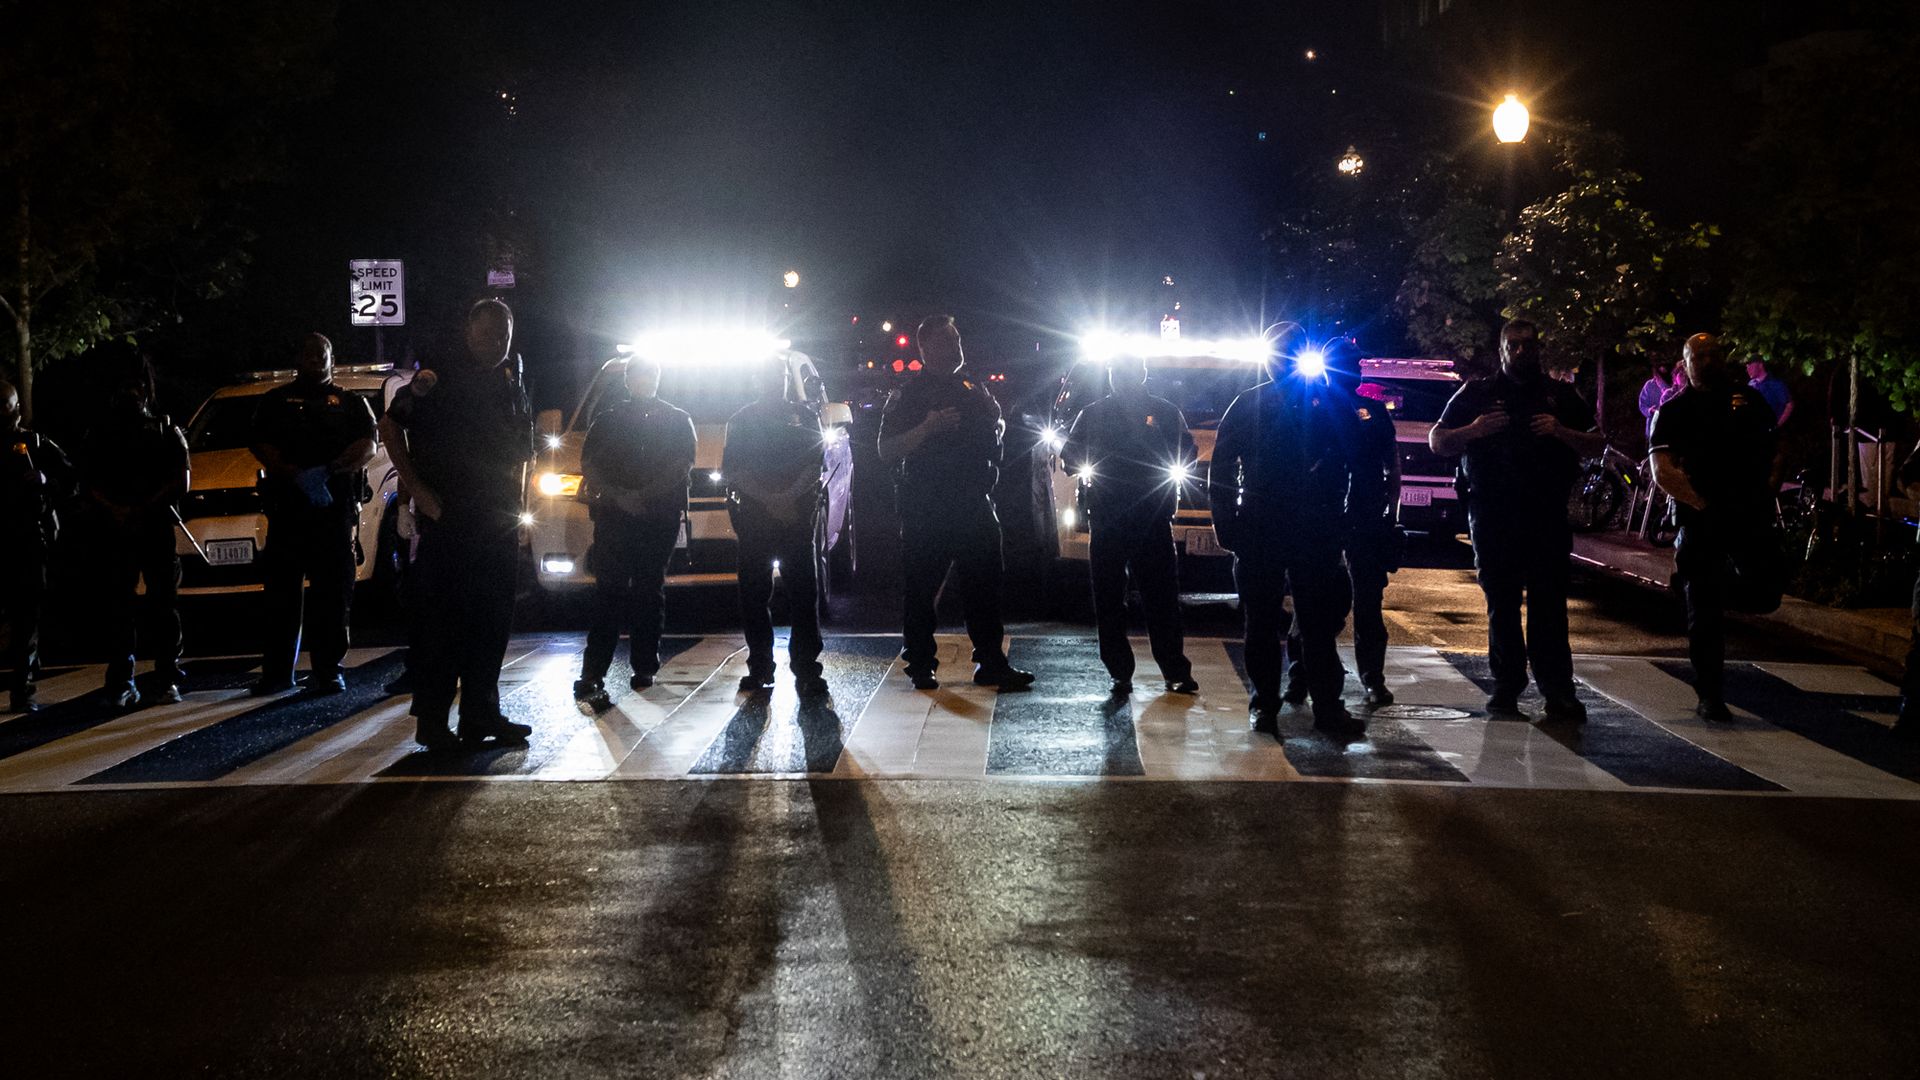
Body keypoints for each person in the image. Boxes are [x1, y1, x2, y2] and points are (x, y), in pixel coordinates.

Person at [1430, 319, 1604, 721]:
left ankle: (1558, 690)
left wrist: (1560, 430)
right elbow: (1437, 441)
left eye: (1528, 344)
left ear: (1538, 348)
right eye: (1514, 345)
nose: (1522, 351)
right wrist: (1473, 430)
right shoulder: (1478, 393)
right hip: (1493, 515)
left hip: (1546, 515)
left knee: (1549, 605)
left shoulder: (1559, 396)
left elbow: (1598, 442)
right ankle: (1506, 687)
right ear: (1502, 349)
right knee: (1502, 603)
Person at [381, 300, 535, 748]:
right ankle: (432, 722)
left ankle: (481, 715)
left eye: (503, 335)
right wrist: (418, 493)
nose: (496, 343)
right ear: (470, 331)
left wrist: (520, 508)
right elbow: (390, 428)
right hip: (452, 515)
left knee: (491, 620)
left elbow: (520, 448)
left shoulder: (512, 375)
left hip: (497, 515)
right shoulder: (438, 374)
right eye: (488, 334)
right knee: (444, 623)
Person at [1208, 323, 1361, 737]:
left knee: (1317, 626)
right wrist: (1226, 525)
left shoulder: (1329, 399)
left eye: (1290, 350)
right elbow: (1220, 467)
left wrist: (1345, 520)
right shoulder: (1249, 403)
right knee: (1261, 624)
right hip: (1262, 528)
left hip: (1315, 528)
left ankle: (1326, 707)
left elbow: (1356, 463)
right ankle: (1265, 706)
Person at [877, 314, 1034, 691]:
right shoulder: (910, 394)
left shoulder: (972, 386)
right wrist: (927, 428)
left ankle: (991, 663)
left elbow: (995, 429)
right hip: (928, 505)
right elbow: (885, 449)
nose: (958, 348)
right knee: (921, 589)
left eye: (958, 340)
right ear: (928, 347)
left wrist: (996, 422)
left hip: (973, 500)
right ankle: (920, 663)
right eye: (949, 341)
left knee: (984, 585)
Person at [1650, 334, 1784, 722]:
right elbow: (1664, 471)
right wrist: (1702, 505)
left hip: (1748, 513)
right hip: (1700, 519)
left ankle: (1703, 587)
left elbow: (1778, 449)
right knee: (1704, 614)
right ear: (1685, 362)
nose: (1707, 361)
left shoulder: (1749, 402)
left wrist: (1766, 492)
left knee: (1766, 590)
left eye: (1714, 354)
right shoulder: (1673, 412)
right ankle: (1710, 693)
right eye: (1698, 356)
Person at [1061, 352, 1198, 696]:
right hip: (1109, 517)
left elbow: (1188, 451)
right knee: (1112, 600)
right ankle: (1124, 671)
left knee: (1160, 599)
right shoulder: (1092, 413)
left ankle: (1171, 670)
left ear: (1142, 375)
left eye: (1126, 372)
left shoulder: (1165, 412)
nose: (1120, 378)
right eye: (1116, 372)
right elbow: (1069, 459)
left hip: (1148, 517)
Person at [247, 334, 377, 696]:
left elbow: (369, 444)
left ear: (332, 358)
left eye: (323, 353)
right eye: (309, 353)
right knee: (281, 595)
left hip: (333, 510)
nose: (316, 359)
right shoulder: (275, 401)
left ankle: (327, 670)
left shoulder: (350, 403)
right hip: (288, 510)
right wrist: (292, 473)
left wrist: (332, 469)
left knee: (333, 595)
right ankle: (276, 672)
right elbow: (259, 442)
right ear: (298, 358)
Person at [571, 352, 696, 711]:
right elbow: (589, 463)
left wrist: (637, 496)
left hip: (654, 516)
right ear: (628, 381)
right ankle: (595, 671)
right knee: (612, 592)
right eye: (639, 376)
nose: (645, 381)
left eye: (650, 375)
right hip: (617, 517)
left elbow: (681, 464)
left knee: (647, 590)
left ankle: (643, 667)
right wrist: (622, 497)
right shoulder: (608, 419)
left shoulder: (676, 419)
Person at [80, 354, 190, 711]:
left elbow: (181, 480)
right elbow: (87, 481)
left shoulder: (164, 428)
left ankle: (165, 676)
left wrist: (138, 509)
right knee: (120, 607)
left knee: (161, 606)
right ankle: (124, 680)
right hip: (120, 527)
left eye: (138, 386)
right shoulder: (100, 432)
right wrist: (119, 510)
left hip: (150, 524)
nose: (133, 393)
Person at [723, 357, 829, 696]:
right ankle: (760, 667)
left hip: (795, 521)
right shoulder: (741, 420)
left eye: (781, 376)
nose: (777, 381)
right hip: (756, 522)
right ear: (757, 379)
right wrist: (773, 500)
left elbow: (815, 465)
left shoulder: (806, 416)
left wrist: (786, 498)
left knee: (804, 597)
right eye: (769, 375)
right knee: (754, 597)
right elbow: (734, 471)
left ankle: (807, 670)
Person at [1331, 340, 1403, 709]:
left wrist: (1392, 512)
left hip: (1366, 517)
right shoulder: (1311, 408)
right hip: (1324, 517)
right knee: (1319, 601)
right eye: (1345, 362)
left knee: (1369, 605)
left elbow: (1392, 466)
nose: (1352, 368)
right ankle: (1301, 673)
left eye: (1355, 363)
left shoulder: (1374, 411)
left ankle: (1373, 678)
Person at [2, 377, 76, 714]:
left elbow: (71, 479)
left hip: (27, 537)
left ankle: (22, 687)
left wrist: (45, 480)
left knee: (26, 616)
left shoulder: (31, 443)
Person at [1746, 358, 1793, 427]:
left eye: (1750, 365)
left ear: (1760, 365)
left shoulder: (1775, 384)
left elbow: (1789, 405)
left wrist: (1777, 425)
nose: (1748, 369)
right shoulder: (1751, 384)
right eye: (1747, 367)